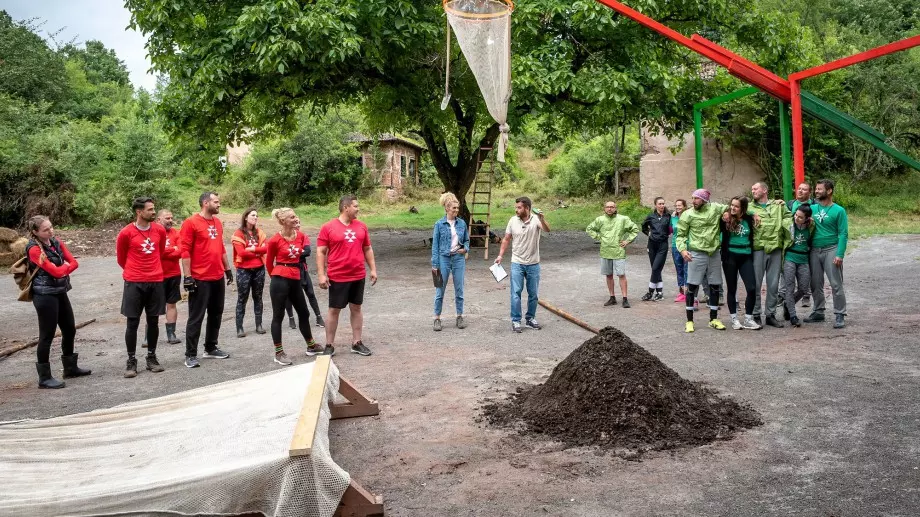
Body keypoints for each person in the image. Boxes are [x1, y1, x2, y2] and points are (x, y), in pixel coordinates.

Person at [25, 215, 92, 389]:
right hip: (44, 294)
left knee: (69, 329)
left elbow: (73, 262)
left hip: (60, 291)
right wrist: (63, 270)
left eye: (51, 227)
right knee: (46, 335)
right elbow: (54, 272)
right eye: (45, 229)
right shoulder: (33, 249)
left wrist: (62, 270)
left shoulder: (55, 242)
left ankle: (70, 368)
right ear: (35, 232)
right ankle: (44, 378)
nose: (50, 231)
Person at [316, 195, 378, 356]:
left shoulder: (361, 226)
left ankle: (356, 342)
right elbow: (321, 251)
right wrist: (322, 275)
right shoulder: (328, 227)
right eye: (355, 206)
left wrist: (373, 269)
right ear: (346, 207)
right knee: (334, 310)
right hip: (338, 276)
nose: (358, 209)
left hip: (358, 275)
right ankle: (329, 345)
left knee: (356, 307)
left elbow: (367, 248)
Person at [265, 208, 328, 364]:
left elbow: (304, 253)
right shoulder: (274, 240)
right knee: (278, 316)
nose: (295, 219)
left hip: (295, 277)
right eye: (292, 217)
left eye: (295, 216)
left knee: (304, 312)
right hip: (280, 279)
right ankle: (279, 352)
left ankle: (311, 345)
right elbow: (268, 262)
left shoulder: (300, 236)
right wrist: (276, 277)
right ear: (283, 221)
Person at [180, 191, 232, 368]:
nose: (219, 205)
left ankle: (210, 347)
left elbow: (220, 247)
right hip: (200, 277)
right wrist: (187, 276)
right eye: (216, 202)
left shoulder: (217, 222)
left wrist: (227, 269)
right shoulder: (191, 223)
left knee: (216, 313)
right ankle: (190, 354)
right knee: (196, 316)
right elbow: (185, 251)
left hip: (217, 275)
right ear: (205, 203)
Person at [116, 197, 168, 377]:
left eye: (154, 209)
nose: (154, 212)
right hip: (134, 282)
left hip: (155, 281)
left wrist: (151, 270)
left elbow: (160, 252)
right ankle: (131, 361)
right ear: (139, 212)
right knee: (132, 322)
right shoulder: (126, 233)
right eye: (150, 209)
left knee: (153, 320)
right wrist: (135, 271)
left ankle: (151, 357)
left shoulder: (159, 230)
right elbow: (121, 258)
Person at [675, 189, 729, 333]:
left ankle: (713, 319)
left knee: (715, 286)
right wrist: (682, 250)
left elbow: (736, 206)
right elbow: (680, 234)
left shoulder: (716, 208)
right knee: (692, 287)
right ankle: (689, 321)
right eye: (692, 198)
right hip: (696, 253)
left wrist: (727, 213)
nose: (693, 201)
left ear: (705, 200)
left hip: (714, 253)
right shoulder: (687, 214)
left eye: (697, 199)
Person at [495, 196, 550, 333]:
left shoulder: (536, 219)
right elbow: (506, 239)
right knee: (515, 293)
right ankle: (516, 320)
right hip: (517, 262)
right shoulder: (513, 221)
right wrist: (500, 255)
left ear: (527, 208)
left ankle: (530, 318)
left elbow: (547, 230)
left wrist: (542, 218)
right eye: (516, 207)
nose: (516, 210)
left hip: (533, 263)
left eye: (519, 207)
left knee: (533, 294)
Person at [805, 179, 848, 328]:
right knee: (815, 283)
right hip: (814, 250)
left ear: (829, 191)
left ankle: (840, 314)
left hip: (831, 249)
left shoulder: (839, 210)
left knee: (836, 283)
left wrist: (840, 254)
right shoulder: (812, 208)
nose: (816, 191)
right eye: (816, 189)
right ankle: (818, 311)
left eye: (819, 189)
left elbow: (843, 234)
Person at [749, 182, 793, 328]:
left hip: (775, 248)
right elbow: (735, 210)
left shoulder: (778, 206)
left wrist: (783, 228)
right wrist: (751, 213)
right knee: (755, 283)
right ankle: (755, 314)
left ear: (765, 190)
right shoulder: (749, 207)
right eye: (752, 189)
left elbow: (789, 217)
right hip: (758, 249)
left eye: (755, 188)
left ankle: (770, 314)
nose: (753, 190)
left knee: (773, 284)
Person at [585, 200, 638, 307]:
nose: (609, 209)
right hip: (605, 251)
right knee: (609, 275)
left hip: (618, 251)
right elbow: (589, 228)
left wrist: (627, 241)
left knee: (621, 274)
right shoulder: (600, 220)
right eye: (607, 207)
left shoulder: (623, 219)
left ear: (615, 208)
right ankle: (612, 297)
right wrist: (599, 237)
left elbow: (635, 229)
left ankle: (625, 298)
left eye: (612, 207)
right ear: (604, 208)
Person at [720, 196, 762, 330]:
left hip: (746, 256)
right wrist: (725, 214)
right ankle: (734, 319)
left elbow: (750, 212)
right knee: (732, 288)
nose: (733, 208)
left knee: (752, 288)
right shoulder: (726, 218)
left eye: (736, 206)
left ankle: (748, 319)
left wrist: (754, 213)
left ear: (743, 208)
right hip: (730, 256)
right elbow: (716, 209)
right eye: (732, 205)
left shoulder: (749, 218)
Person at [431, 192, 470, 331]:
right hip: (443, 259)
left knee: (459, 289)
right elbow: (435, 246)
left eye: (457, 208)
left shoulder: (462, 223)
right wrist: (434, 265)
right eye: (454, 208)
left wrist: (465, 249)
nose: (456, 210)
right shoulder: (439, 224)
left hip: (458, 259)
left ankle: (459, 316)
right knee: (439, 289)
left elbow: (466, 240)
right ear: (447, 208)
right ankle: (437, 318)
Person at [232, 208, 267, 337]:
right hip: (244, 270)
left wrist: (252, 249)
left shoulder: (259, 232)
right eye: (253, 215)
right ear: (246, 217)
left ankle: (259, 325)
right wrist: (257, 250)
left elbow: (266, 249)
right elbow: (241, 253)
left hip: (259, 269)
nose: (255, 217)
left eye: (257, 215)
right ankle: (239, 328)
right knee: (242, 298)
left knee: (258, 297)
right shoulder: (239, 233)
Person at [285, 220, 326, 330]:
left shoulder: (303, 236)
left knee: (311, 293)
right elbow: (284, 253)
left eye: (299, 222)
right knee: (289, 295)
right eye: (295, 222)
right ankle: (291, 318)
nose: (298, 224)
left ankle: (318, 317)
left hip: (303, 269)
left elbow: (307, 251)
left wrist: (293, 253)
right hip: (289, 270)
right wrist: (299, 252)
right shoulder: (285, 237)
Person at [783, 204, 814, 327]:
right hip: (790, 257)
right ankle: (793, 315)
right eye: (796, 215)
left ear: (807, 218)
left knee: (803, 288)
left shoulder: (811, 226)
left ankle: (787, 304)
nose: (796, 218)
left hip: (804, 259)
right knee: (789, 287)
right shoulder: (788, 223)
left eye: (800, 217)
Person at [156, 209, 183, 345]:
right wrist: (172, 249)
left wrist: (167, 251)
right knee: (153, 306)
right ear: (158, 220)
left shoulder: (176, 233)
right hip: (156, 275)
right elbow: (156, 252)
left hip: (174, 274)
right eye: (167, 218)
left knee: (171, 304)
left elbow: (181, 251)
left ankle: (171, 334)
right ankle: (149, 336)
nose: (170, 220)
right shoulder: (153, 232)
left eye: (171, 218)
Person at [786, 182, 814, 308]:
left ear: (810, 192)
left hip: (806, 249)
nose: (800, 191)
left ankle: (805, 296)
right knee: (788, 284)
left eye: (804, 189)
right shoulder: (790, 204)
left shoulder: (814, 206)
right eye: (799, 189)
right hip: (790, 251)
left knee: (805, 280)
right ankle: (789, 309)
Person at [641, 197, 671, 301]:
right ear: (655, 205)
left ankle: (650, 292)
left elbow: (670, 228)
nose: (662, 206)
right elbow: (643, 226)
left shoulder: (668, 216)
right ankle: (659, 293)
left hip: (663, 245)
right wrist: (648, 233)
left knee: (655, 268)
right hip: (652, 245)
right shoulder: (651, 216)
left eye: (663, 203)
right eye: (660, 204)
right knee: (656, 268)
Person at [670, 199, 689, 303]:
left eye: (680, 205)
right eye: (676, 205)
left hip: (686, 245)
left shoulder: (689, 217)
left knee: (687, 269)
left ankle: (688, 293)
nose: (678, 207)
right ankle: (681, 292)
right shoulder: (673, 218)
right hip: (674, 246)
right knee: (679, 269)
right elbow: (670, 230)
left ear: (685, 206)